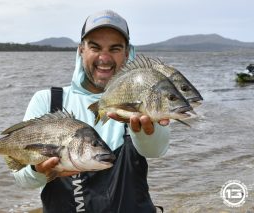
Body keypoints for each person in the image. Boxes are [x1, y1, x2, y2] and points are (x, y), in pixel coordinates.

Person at [13, 10, 170, 213]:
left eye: (114, 49)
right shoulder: (48, 101)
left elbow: (156, 150)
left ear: (128, 53)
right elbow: (21, 180)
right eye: (95, 47)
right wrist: (39, 171)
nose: (104, 58)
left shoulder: (140, 101)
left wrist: (147, 130)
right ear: (80, 50)